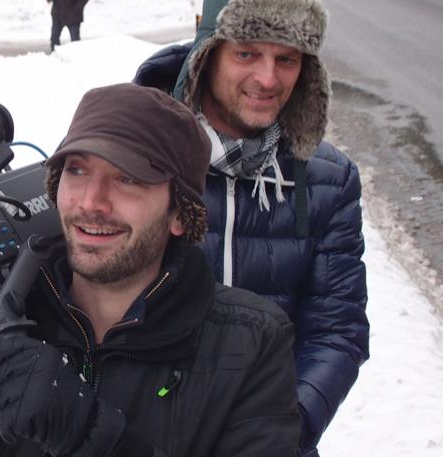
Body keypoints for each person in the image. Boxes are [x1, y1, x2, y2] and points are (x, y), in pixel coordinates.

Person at [0, 83, 301, 456]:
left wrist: (85, 434)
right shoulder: (0, 321)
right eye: (78, 170)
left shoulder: (250, 342)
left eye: (128, 178)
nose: (90, 202)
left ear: (180, 214)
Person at [132, 1, 370, 455]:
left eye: (287, 59)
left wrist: (284, 428)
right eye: (246, 54)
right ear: (208, 53)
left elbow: (336, 330)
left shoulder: (328, 180)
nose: (267, 79)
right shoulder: (133, 155)